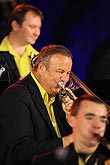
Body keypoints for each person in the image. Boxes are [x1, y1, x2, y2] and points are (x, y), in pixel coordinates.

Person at [0, 44, 75, 165]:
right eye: (60, 72)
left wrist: (72, 122)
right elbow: (22, 150)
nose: (65, 79)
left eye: (68, 73)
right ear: (41, 68)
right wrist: (70, 139)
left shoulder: (59, 96)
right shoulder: (16, 94)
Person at [32, 94, 110, 165]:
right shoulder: (45, 162)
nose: (97, 125)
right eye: (90, 118)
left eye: (102, 120)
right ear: (72, 120)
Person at [0, 3, 43, 95]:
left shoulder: (39, 58)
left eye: (39, 28)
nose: (37, 33)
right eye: (32, 27)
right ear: (15, 25)